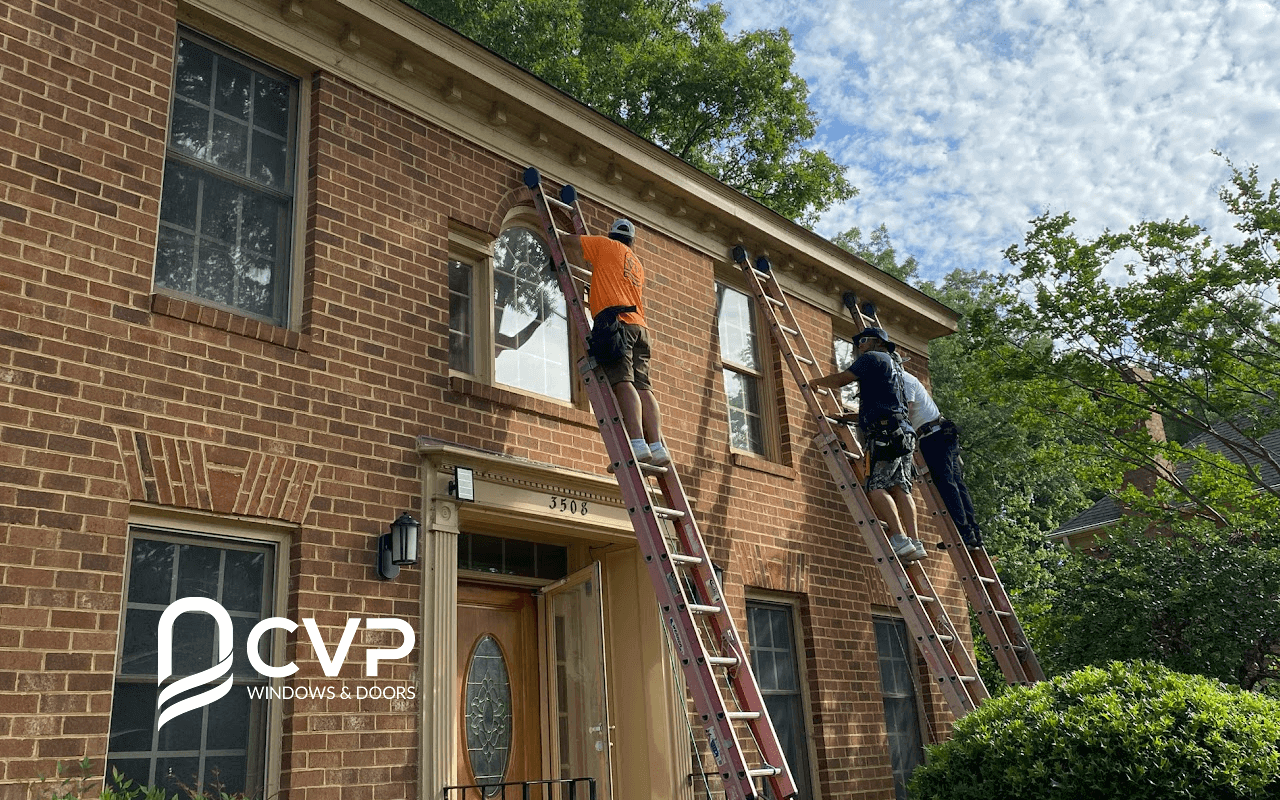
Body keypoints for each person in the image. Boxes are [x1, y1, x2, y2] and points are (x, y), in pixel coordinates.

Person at [810, 327, 926, 562]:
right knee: (900, 487)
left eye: (862, 341)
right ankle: (914, 541)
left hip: (883, 434)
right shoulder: (895, 368)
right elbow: (888, 406)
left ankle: (900, 539)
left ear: (877, 342)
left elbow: (843, 379)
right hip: (902, 433)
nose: (859, 347)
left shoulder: (872, 358)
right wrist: (850, 418)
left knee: (875, 486)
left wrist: (815, 382)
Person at [562, 219, 670, 467]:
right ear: (631, 241)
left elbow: (569, 241)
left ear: (612, 235)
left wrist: (550, 239)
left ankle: (637, 442)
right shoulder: (637, 264)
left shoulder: (604, 245)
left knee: (623, 382)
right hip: (640, 327)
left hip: (617, 323)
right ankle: (657, 446)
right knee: (644, 388)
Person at [894, 353, 984, 549]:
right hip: (940, 433)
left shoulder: (903, 379)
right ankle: (972, 533)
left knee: (947, 485)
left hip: (934, 437)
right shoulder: (908, 379)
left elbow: (906, 411)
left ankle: (964, 533)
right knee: (956, 484)